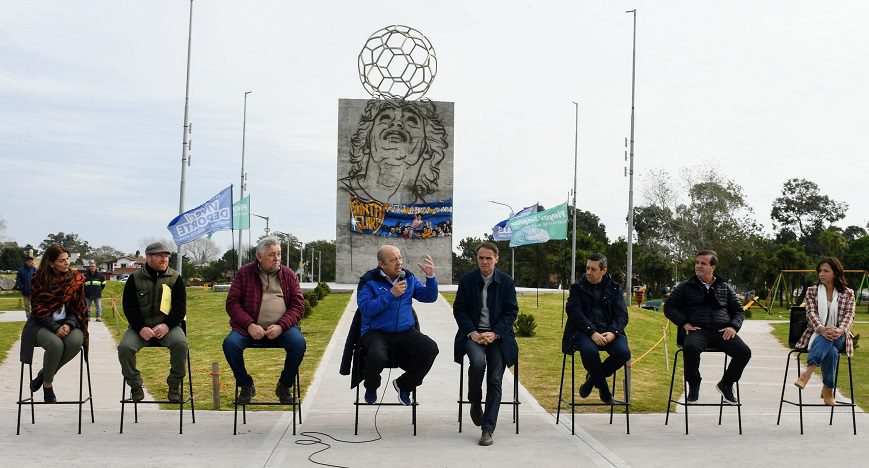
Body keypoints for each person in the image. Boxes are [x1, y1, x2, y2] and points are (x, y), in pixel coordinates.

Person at [224, 236, 306, 404]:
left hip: (283, 329)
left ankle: (284, 385)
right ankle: (246, 385)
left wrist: (281, 327)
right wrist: (249, 325)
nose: (276, 258)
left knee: (299, 343)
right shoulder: (244, 273)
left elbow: (298, 306)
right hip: (249, 329)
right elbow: (232, 304)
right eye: (271, 255)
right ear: (259, 256)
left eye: (279, 254)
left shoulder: (289, 275)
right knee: (230, 344)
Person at [356, 244, 439, 406]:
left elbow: (429, 297)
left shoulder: (407, 277)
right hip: (376, 332)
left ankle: (404, 385)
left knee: (430, 348)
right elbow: (366, 309)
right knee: (376, 356)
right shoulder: (368, 280)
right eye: (393, 260)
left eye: (400, 258)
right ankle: (371, 386)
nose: (399, 262)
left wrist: (430, 277)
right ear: (381, 263)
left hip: (405, 331)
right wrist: (391, 294)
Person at [664, 249, 751, 404]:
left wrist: (733, 327)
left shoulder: (725, 287)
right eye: (697, 263)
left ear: (713, 267)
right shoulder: (685, 287)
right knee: (690, 347)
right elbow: (669, 307)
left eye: (703, 263)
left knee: (744, 352)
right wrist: (684, 323)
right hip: (697, 331)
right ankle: (694, 384)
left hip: (722, 331)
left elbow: (738, 310)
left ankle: (726, 384)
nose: (698, 266)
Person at [453, 242, 518, 446]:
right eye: (481, 257)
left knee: (495, 379)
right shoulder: (467, 280)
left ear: (496, 259)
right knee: (478, 363)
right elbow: (459, 310)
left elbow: (511, 312)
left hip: (499, 337)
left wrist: (495, 333)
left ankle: (488, 429)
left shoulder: (506, 282)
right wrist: (472, 333)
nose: (484, 261)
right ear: (477, 259)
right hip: (473, 335)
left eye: (488, 258)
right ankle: (474, 401)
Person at [339, 99, 448, 204]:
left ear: (428, 149)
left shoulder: (428, 214)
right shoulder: (343, 191)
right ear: (366, 143)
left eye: (411, 120)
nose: (397, 123)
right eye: (385, 117)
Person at [118, 242, 188, 402]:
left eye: (166, 256)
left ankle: (174, 385)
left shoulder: (176, 278)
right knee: (125, 348)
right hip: (140, 328)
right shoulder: (134, 278)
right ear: (148, 257)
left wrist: (166, 325)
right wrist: (140, 327)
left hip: (168, 327)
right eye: (160, 256)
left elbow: (180, 307)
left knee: (180, 344)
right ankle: (135, 386)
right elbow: (129, 307)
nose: (164, 259)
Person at [21, 245, 87, 403]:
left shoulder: (75, 278)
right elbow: (37, 309)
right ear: (51, 263)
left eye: (67, 259)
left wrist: (68, 325)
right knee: (56, 345)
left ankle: (43, 375)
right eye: (62, 260)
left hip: (70, 322)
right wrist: (55, 327)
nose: (66, 263)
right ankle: (47, 384)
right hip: (41, 323)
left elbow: (79, 307)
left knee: (75, 342)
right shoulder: (38, 279)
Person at [561, 253, 630, 404]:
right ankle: (604, 389)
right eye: (587, 268)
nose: (588, 272)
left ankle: (592, 380)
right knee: (589, 351)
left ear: (604, 271)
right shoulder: (577, 288)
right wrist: (592, 332)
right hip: (583, 331)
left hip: (609, 331)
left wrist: (613, 332)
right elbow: (574, 313)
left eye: (593, 269)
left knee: (623, 353)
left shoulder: (614, 288)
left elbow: (622, 316)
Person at [793, 257, 856, 405]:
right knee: (831, 351)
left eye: (826, 271)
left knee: (830, 336)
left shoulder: (848, 293)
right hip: (817, 333)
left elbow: (850, 314)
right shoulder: (812, 291)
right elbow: (811, 313)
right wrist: (821, 329)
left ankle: (807, 373)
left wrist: (840, 330)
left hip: (840, 336)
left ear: (835, 273)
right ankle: (828, 389)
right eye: (820, 271)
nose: (821, 274)